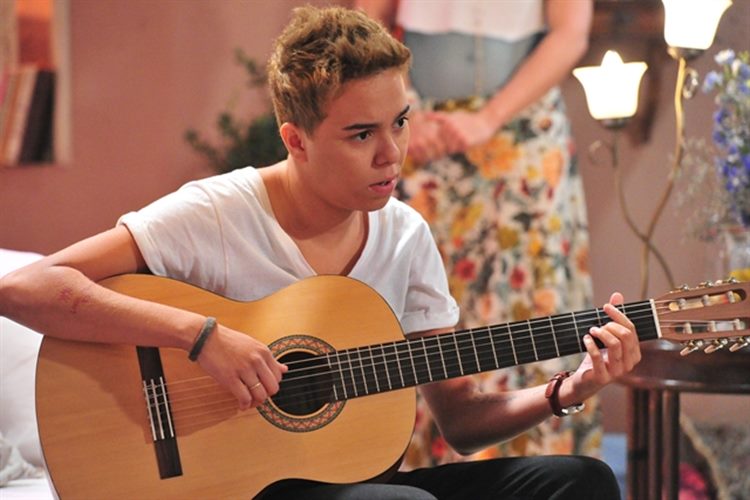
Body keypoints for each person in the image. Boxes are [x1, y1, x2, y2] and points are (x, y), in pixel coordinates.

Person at [0, 5, 639, 499]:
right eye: (362, 134)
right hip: (229, 487)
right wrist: (199, 336)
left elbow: (462, 421)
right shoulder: (217, 213)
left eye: (401, 122)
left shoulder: (405, 235)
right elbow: (22, 287)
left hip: (349, 483)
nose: (392, 154)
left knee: (579, 482)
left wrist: (569, 388)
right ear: (296, 140)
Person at [356, 0, 599, 467]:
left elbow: (570, 33)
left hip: (524, 132)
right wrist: (403, 115)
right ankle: (424, 469)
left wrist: (488, 118)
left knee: (528, 295)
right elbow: (369, 20)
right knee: (427, 299)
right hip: (422, 132)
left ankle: (534, 467)